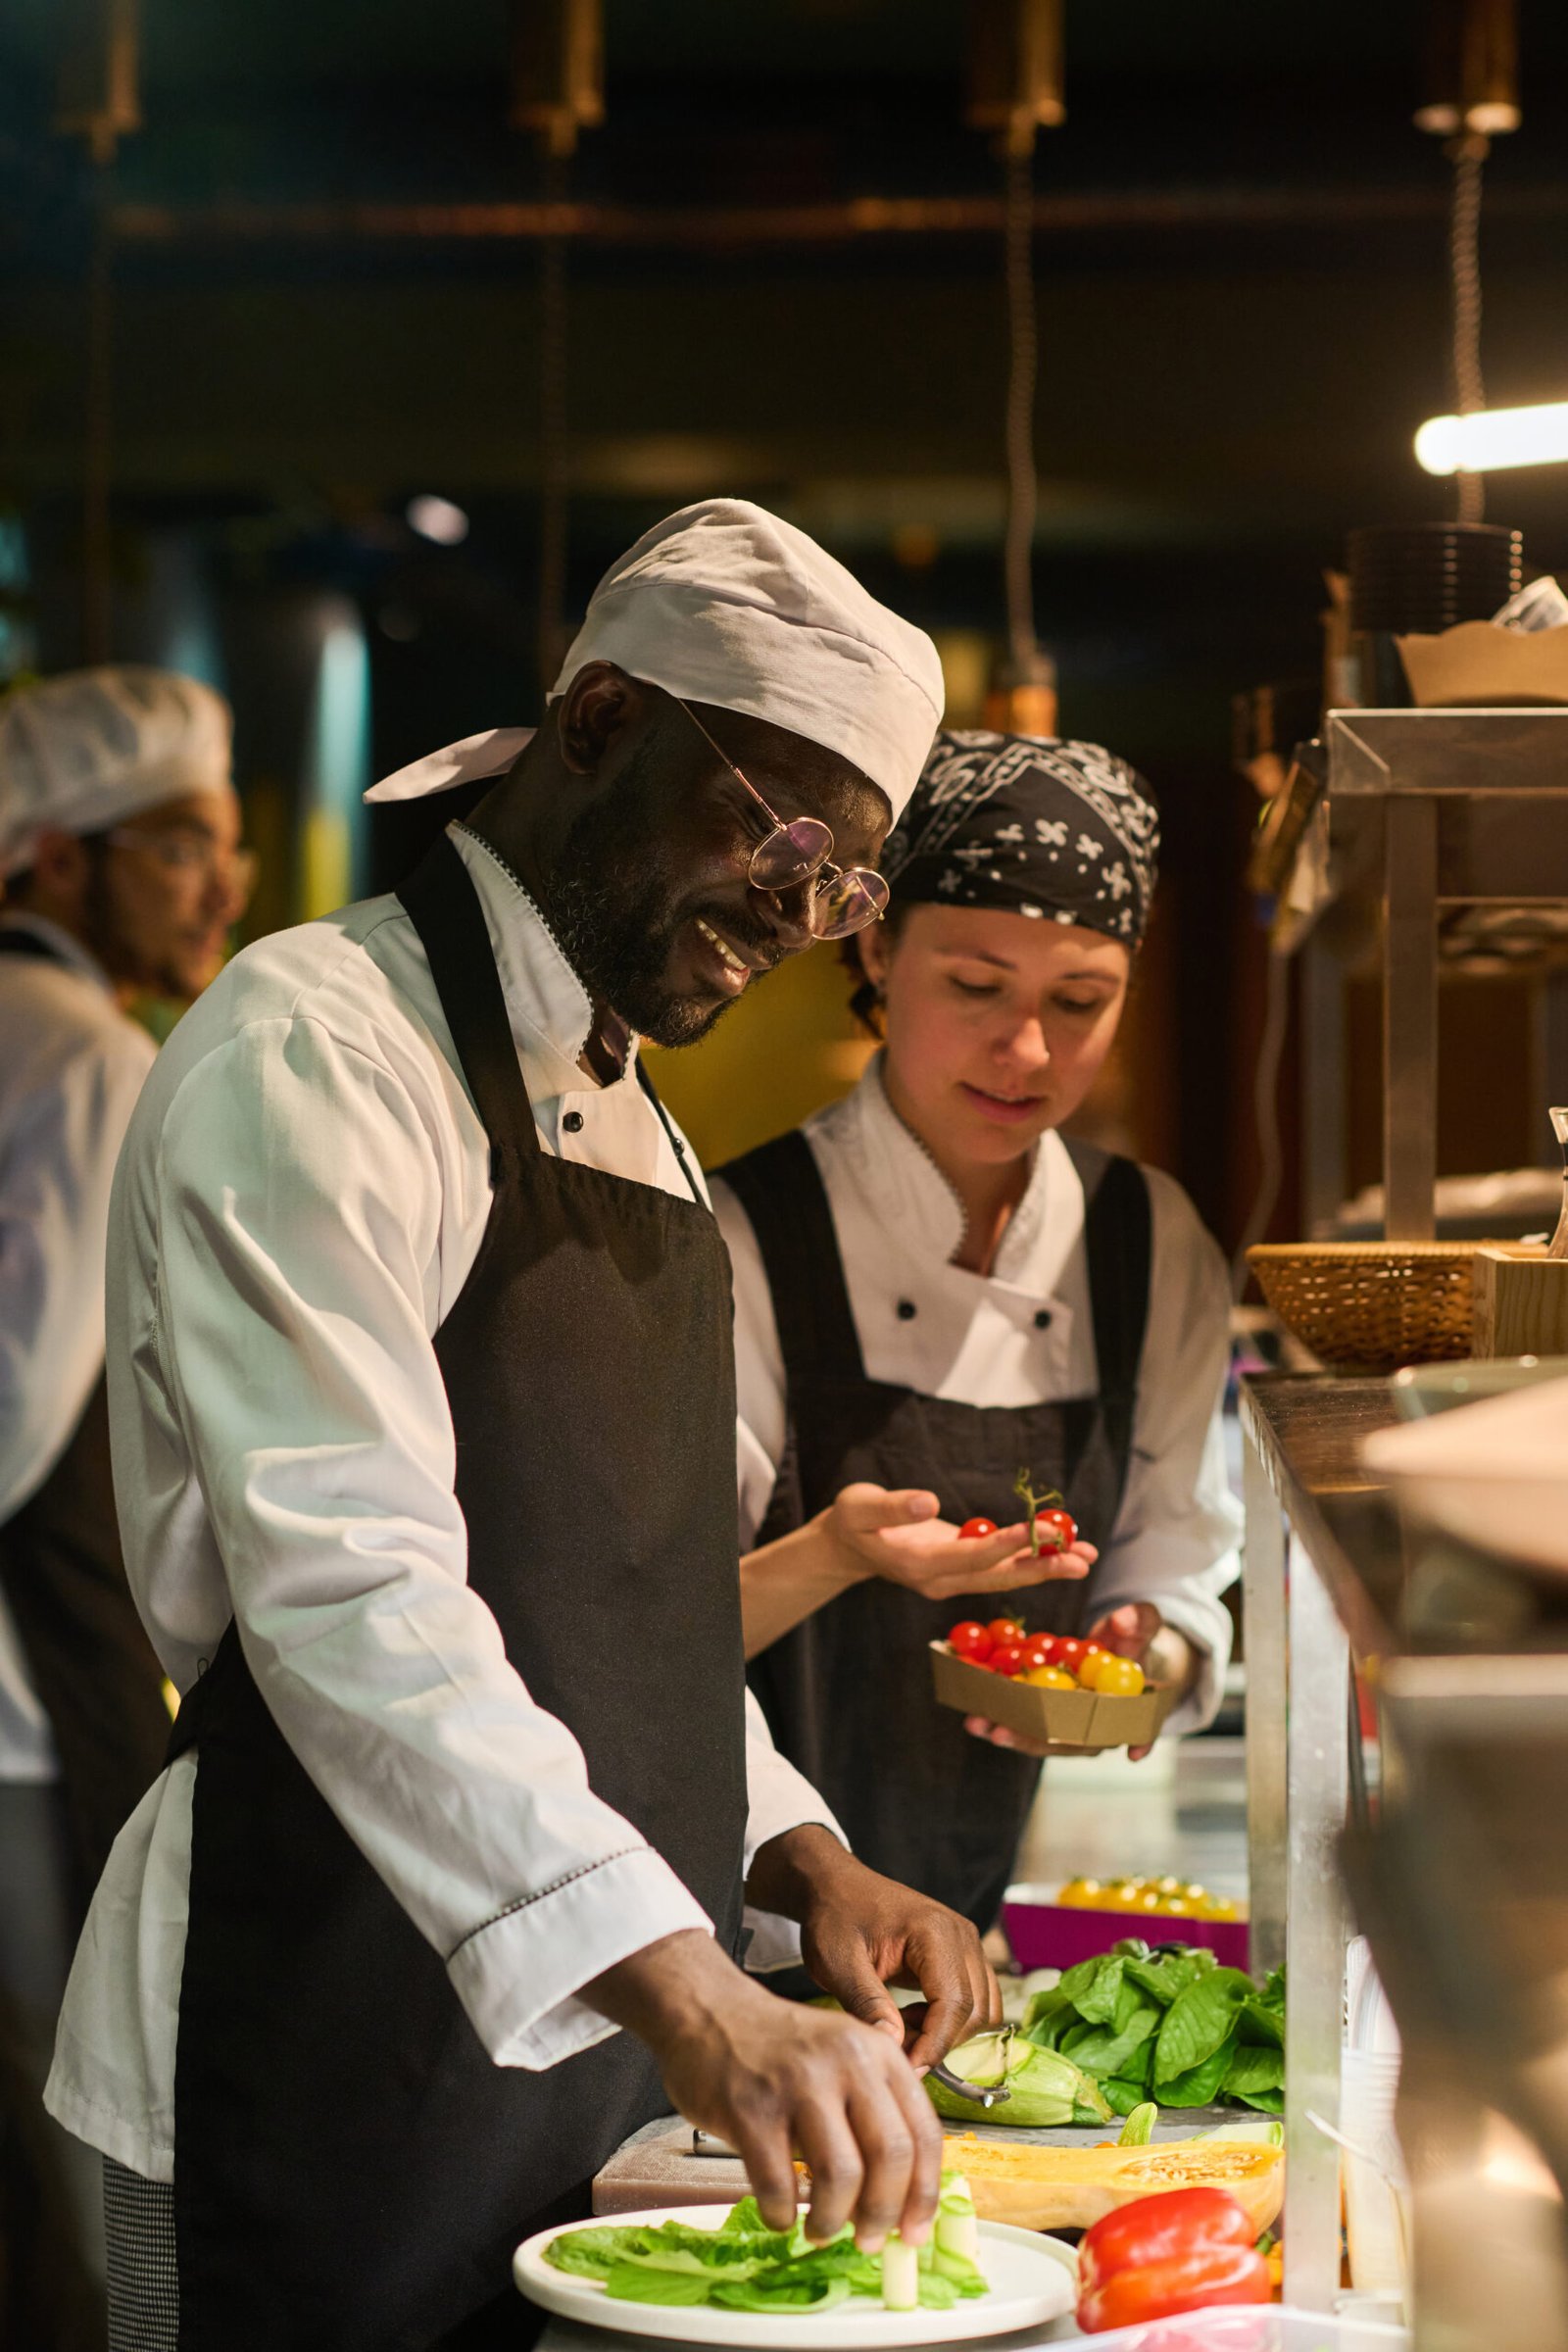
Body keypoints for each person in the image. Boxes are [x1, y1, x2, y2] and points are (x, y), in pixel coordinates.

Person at [46, 503, 999, 2352]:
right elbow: (354, 1595)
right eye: (780, 838)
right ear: (598, 726)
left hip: (567, 2059)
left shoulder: (638, 1121)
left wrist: (791, 1853)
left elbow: (613, 1608)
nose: (796, 924)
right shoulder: (320, 1050)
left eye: (841, 889)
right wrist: (693, 1997)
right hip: (304, 2019)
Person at [713, 728, 1242, 1939]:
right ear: (879, 945)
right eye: (975, 986)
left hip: (1004, 1905)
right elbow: (652, 1636)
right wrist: (837, 1554)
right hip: (750, 1918)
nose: (1027, 1053)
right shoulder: (740, 1235)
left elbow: (1175, 1553)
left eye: (1080, 1002)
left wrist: (1138, 1656)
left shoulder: (1148, 1242)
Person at [0, 666, 249, 2349]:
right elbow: (17, 1414)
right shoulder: (83, 1052)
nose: (221, 889)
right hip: (24, 1687)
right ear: (58, 865)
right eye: (178, 848)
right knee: (69, 2135)